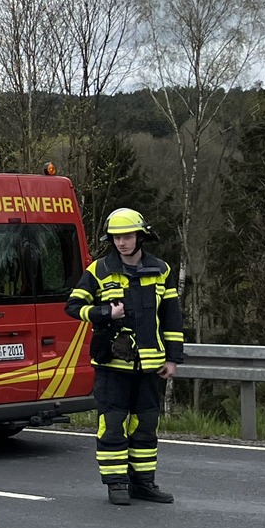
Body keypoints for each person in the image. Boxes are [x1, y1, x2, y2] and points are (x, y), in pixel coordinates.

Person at [67, 208, 184, 505]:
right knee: (114, 423)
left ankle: (143, 483)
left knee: (146, 424)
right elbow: (73, 306)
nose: (122, 243)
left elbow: (171, 319)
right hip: (112, 367)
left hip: (150, 366)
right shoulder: (98, 270)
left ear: (140, 236)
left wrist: (172, 359)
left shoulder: (162, 270)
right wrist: (104, 312)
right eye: (117, 237)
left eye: (128, 236)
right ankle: (116, 484)